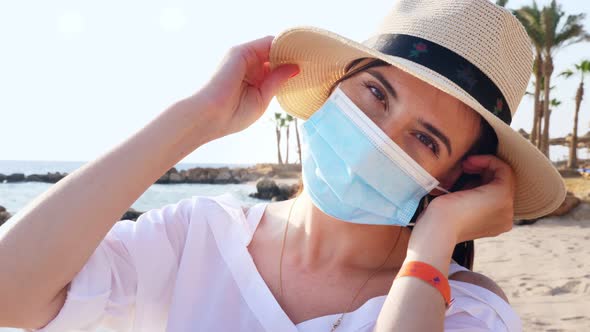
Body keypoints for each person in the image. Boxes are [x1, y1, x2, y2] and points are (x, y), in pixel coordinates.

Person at [0, 0, 566, 331]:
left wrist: (435, 238)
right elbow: (11, 290)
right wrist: (197, 119)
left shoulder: (462, 310)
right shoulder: (195, 236)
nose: (376, 137)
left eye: (424, 137)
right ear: (330, 89)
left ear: (454, 178)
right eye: (375, 93)